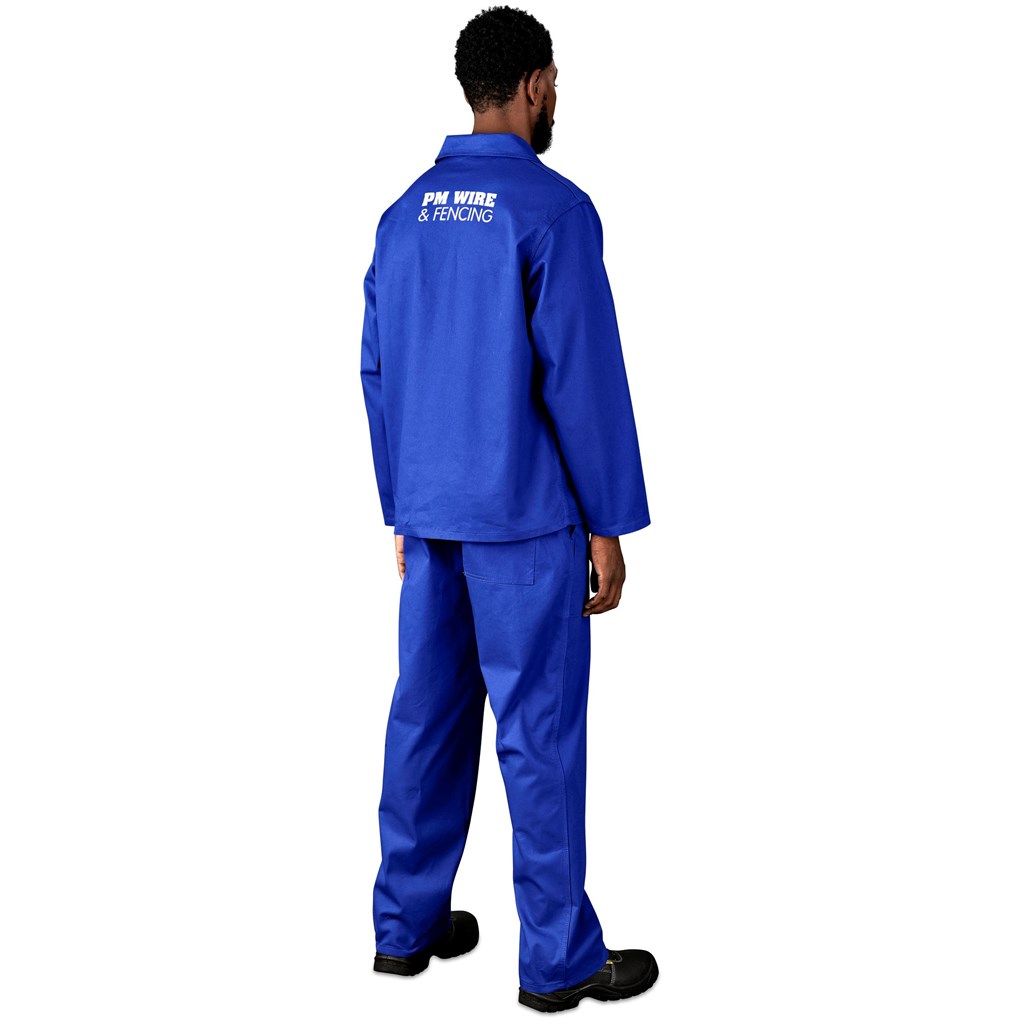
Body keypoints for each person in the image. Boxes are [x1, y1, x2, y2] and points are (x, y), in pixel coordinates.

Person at [360, 5, 657, 1013]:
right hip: (524, 523)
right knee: (538, 735)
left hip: (431, 520)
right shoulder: (553, 212)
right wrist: (607, 521)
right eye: (555, 83)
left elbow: (377, 371)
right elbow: (582, 377)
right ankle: (559, 960)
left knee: (424, 720)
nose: (556, 98)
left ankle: (404, 927)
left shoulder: (401, 216)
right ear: (534, 84)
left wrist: (401, 506)